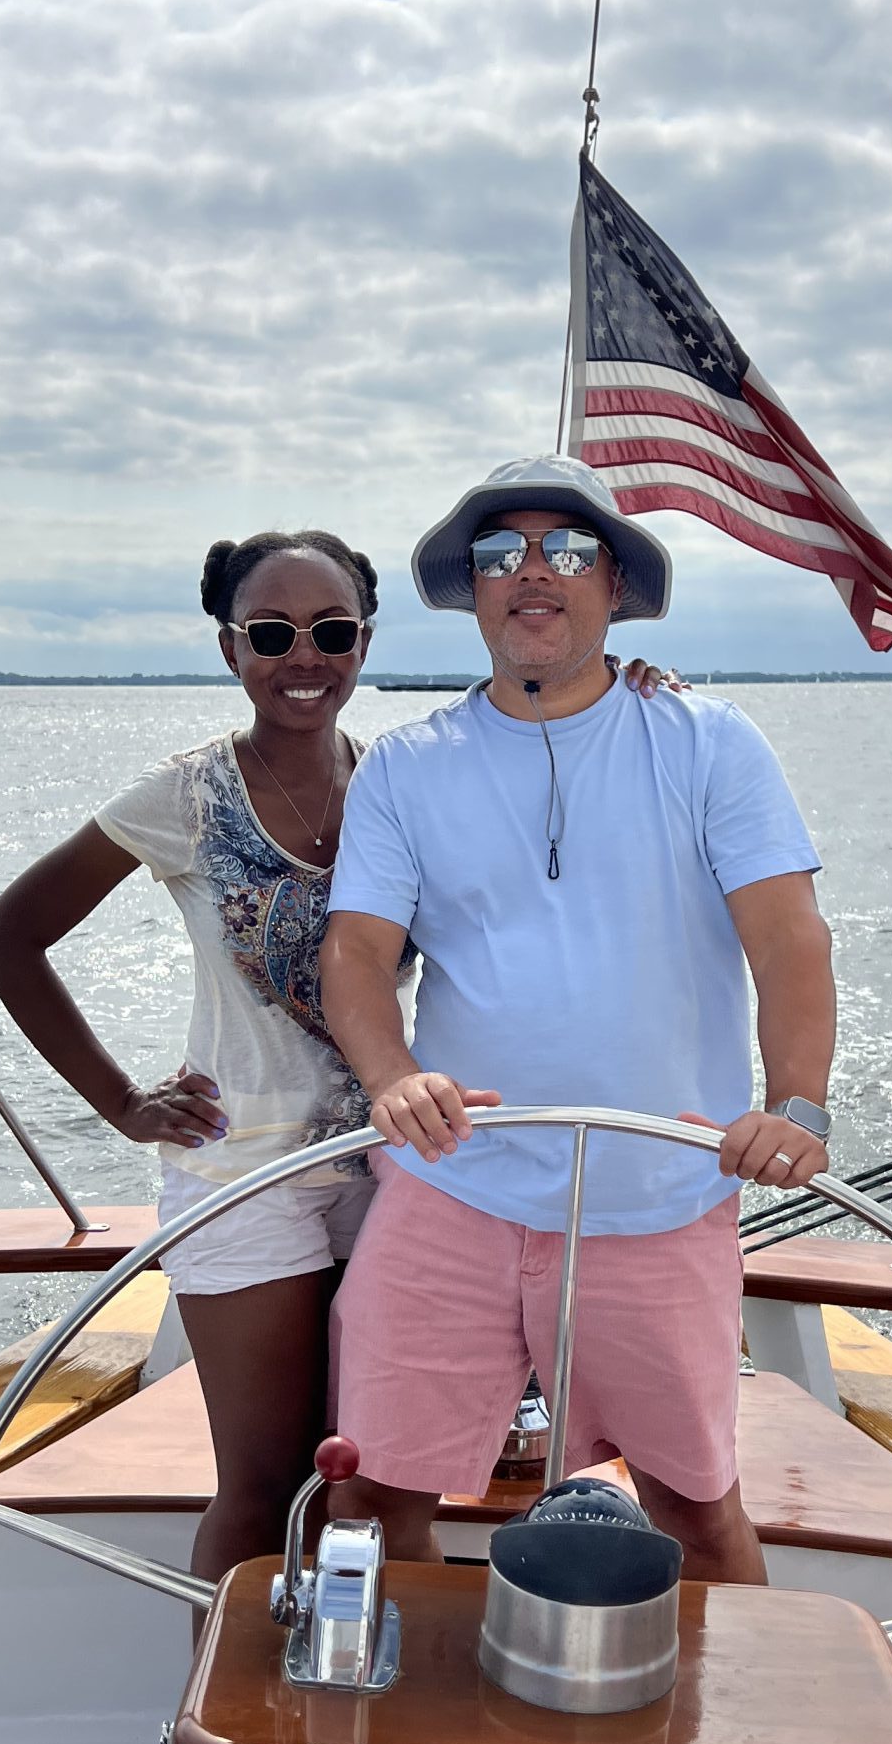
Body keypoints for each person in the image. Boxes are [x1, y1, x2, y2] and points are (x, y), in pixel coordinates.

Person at [0, 522, 681, 1583]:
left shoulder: (404, 779)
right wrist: (122, 1101)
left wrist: (632, 692)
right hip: (244, 1175)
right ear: (230, 648)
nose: (302, 656)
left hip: (396, 1171)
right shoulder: (185, 796)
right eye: (270, 633)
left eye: (331, 630)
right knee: (265, 1487)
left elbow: (555, 763)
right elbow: (9, 939)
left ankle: (351, 1677)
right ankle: (222, 1689)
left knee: (366, 1481)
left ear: (364, 642)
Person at [318, 455, 837, 1584]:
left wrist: (796, 1106)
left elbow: (789, 939)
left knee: (695, 1509)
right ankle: (402, 1697)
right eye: (500, 554)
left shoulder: (710, 742)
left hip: (659, 1196)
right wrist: (392, 1074)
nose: (532, 572)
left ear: (614, 583)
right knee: (369, 1499)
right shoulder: (404, 767)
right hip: (454, 1183)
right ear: (473, 590)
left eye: (566, 550)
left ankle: (740, 1705)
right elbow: (355, 951)